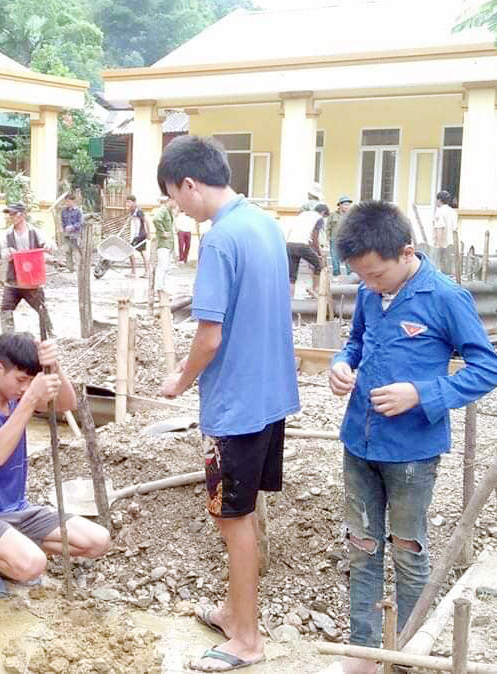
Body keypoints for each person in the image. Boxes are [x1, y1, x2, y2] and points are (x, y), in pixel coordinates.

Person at [319, 200, 497, 674]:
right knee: (360, 547)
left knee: (407, 548)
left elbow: (488, 368)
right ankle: (362, 650)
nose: (369, 284)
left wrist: (420, 394)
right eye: (361, 276)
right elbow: (356, 341)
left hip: (412, 454)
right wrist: (342, 363)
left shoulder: (445, 297)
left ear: (406, 252)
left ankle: (404, 649)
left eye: (377, 275)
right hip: (359, 442)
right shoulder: (367, 292)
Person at [157, 136, 299, 673]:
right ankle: (231, 612)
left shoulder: (218, 241)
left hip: (236, 403)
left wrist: (180, 378)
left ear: (190, 184)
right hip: (272, 394)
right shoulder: (264, 224)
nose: (177, 207)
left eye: (174, 196)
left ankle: (247, 641)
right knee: (245, 512)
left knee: (232, 520)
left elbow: (209, 337)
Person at [0, 332, 110, 600]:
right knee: (32, 565)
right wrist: (30, 399)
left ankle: (8, 549)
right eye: (20, 380)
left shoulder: (17, 399)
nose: (25, 388)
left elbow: (66, 404)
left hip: (18, 509)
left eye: (30, 381)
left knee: (98, 541)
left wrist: (55, 367)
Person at [0, 203, 54, 335]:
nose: (10, 217)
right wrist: (8, 253)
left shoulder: (35, 232)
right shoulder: (7, 234)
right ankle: (8, 337)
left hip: (32, 280)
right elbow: (2, 254)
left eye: (13, 214)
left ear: (22, 215)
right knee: (5, 309)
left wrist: (49, 245)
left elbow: (51, 246)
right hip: (14, 280)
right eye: (9, 214)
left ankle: (49, 334)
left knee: (41, 308)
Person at [283, 203, 328, 298]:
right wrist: (319, 254)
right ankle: (315, 289)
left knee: (291, 275)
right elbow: (315, 238)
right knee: (319, 265)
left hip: (289, 244)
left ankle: (290, 298)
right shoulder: (318, 218)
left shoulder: (302, 215)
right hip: (301, 244)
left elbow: (292, 230)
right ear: (323, 213)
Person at [151, 197, 176, 296]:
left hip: (168, 244)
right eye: (175, 202)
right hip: (163, 243)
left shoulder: (168, 211)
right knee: (162, 266)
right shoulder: (163, 210)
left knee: (166, 267)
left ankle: (163, 287)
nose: (176, 205)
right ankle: (159, 288)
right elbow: (156, 219)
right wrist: (162, 232)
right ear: (170, 200)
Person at [326, 195, 353, 276]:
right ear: (340, 205)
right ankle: (336, 274)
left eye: (348, 204)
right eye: (345, 204)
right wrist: (328, 238)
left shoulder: (351, 215)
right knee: (335, 258)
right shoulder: (333, 215)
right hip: (334, 239)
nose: (347, 206)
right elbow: (328, 227)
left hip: (346, 239)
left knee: (348, 258)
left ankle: (350, 275)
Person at [432, 190, 457, 271]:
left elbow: (440, 229)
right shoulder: (453, 211)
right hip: (452, 244)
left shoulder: (439, 212)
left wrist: (438, 247)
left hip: (443, 246)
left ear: (439, 200)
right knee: (449, 270)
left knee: (440, 269)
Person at [126, 194, 149, 277]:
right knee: (140, 252)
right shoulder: (132, 211)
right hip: (137, 235)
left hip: (141, 235)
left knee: (130, 251)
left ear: (134, 202)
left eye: (129, 202)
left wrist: (148, 234)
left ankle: (135, 272)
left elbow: (146, 221)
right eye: (127, 202)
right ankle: (140, 272)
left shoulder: (138, 211)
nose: (127, 204)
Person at [59, 193, 84, 271]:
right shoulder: (64, 211)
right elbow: (62, 221)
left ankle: (78, 268)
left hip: (75, 234)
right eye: (66, 202)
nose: (67, 203)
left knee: (76, 251)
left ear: (73, 201)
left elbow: (81, 223)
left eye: (68, 202)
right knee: (67, 251)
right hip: (66, 234)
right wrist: (62, 228)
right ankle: (70, 268)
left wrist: (72, 227)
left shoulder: (78, 211)